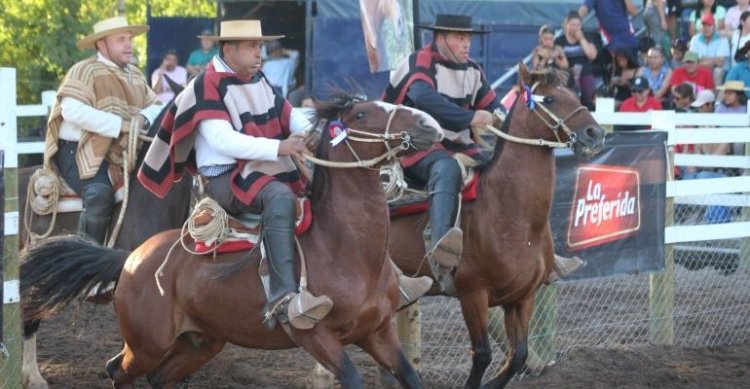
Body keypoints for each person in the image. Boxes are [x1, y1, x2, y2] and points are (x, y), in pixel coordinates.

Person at [138, 20, 432, 329]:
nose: (259, 54)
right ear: (230, 48)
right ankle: (282, 296)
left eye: (260, 47)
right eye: (253, 47)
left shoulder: (256, 78)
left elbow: (290, 116)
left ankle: (393, 278)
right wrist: (280, 148)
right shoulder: (205, 85)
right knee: (279, 198)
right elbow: (222, 140)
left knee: (336, 197)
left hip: (258, 169)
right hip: (225, 181)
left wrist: (331, 136)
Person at [382, 14, 581, 290]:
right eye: (460, 38)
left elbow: (494, 105)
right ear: (441, 38)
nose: (466, 45)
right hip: (415, 145)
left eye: (468, 39)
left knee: (507, 174)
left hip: (459, 146)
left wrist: (505, 119)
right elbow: (424, 99)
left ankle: (544, 253)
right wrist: (470, 118)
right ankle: (442, 246)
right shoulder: (419, 62)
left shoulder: (473, 70)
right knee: (446, 169)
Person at [43, 16, 162, 245]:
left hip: (122, 154)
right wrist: (121, 125)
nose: (129, 45)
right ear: (102, 45)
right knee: (98, 194)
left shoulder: (135, 75)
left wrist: (142, 118)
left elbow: (157, 106)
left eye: (129, 39)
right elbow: (71, 110)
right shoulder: (83, 70)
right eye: (121, 40)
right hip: (78, 152)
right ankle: (85, 262)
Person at [556, 11, 599, 109]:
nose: (575, 28)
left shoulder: (587, 38)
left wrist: (581, 39)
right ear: (566, 25)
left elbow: (592, 56)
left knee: (590, 100)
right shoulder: (560, 41)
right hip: (568, 74)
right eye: (572, 25)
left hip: (585, 72)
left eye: (578, 25)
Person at [689, 13, 730, 87]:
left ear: (714, 27)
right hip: (699, 68)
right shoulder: (695, 39)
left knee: (718, 71)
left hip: (718, 69)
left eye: (709, 25)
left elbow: (720, 62)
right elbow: (692, 59)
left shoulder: (722, 39)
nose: (706, 28)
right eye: (704, 26)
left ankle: (716, 97)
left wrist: (702, 59)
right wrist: (713, 60)